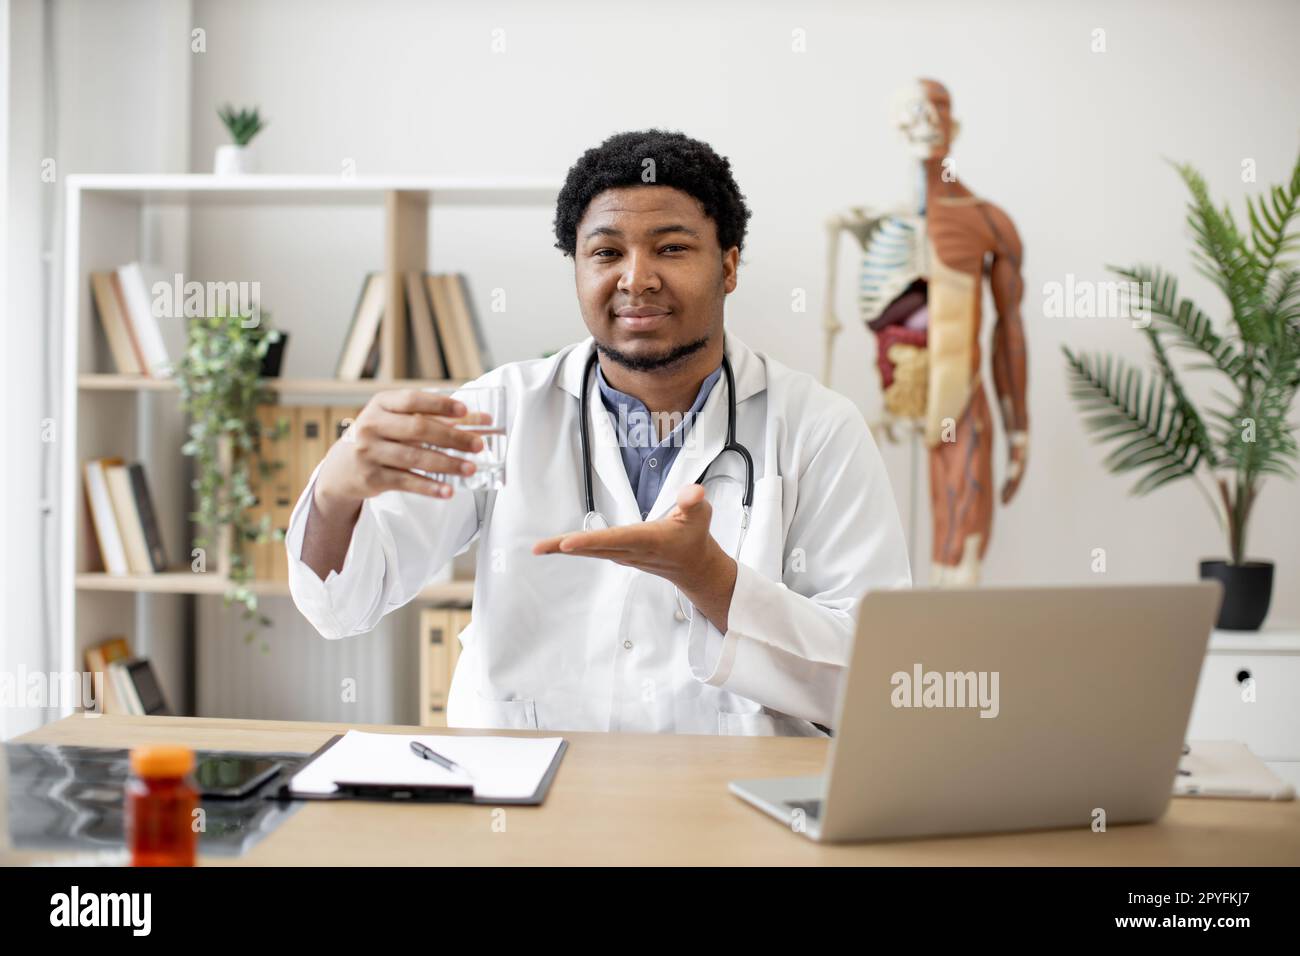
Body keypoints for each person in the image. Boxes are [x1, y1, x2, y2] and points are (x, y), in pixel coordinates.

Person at [288, 129, 911, 736]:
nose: (635, 278)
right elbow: (343, 606)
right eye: (607, 253)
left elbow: (872, 677)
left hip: (732, 807)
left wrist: (710, 578)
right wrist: (337, 492)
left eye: (670, 248)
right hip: (529, 798)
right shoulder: (497, 411)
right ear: (578, 268)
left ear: (728, 266)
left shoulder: (817, 429)